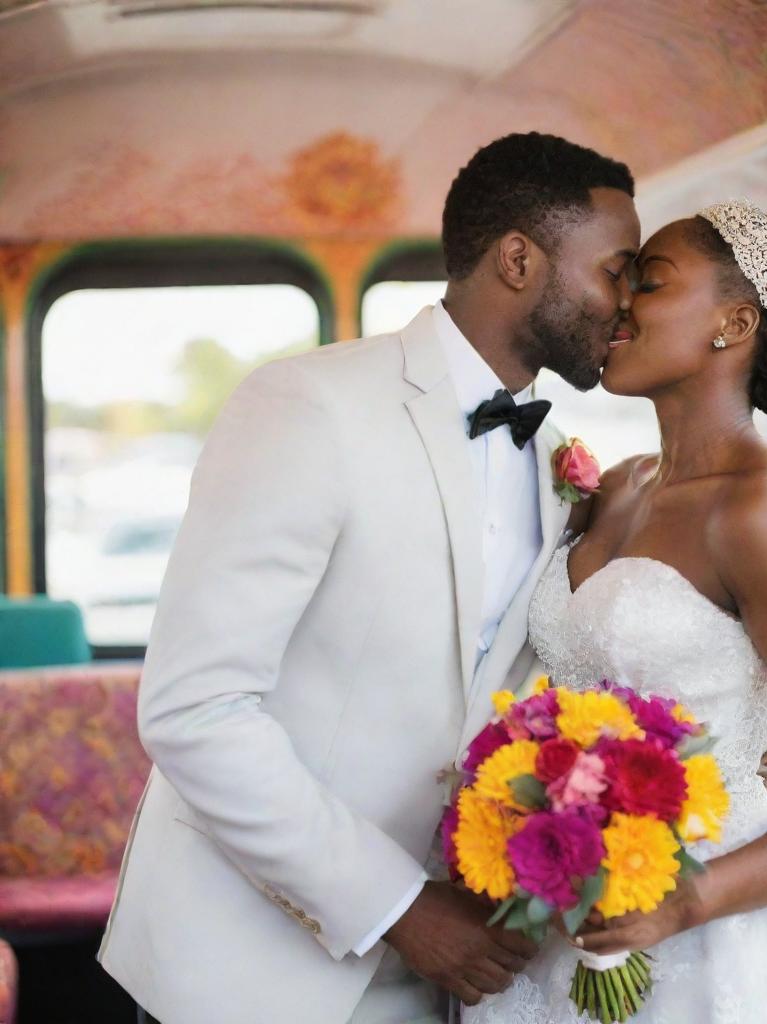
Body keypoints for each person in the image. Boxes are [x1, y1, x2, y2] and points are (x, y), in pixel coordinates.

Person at [99, 132, 643, 1024]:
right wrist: (397, 907)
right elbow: (194, 709)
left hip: (442, 974)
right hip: (244, 967)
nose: (625, 306)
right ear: (518, 259)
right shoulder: (308, 408)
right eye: (616, 271)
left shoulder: (559, 464)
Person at [464, 199, 767, 1022]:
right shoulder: (613, 485)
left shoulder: (760, 509)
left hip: (723, 933)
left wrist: (686, 902)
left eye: (648, 283)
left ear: (734, 321)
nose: (617, 304)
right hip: (572, 907)